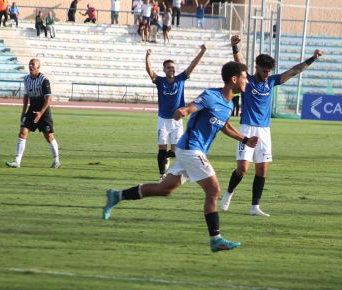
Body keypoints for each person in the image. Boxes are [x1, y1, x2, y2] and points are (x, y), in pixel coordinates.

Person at [103, 61, 258, 253]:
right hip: (191, 149)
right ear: (234, 79)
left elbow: (224, 125)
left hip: (190, 151)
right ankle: (215, 238)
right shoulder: (212, 95)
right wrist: (183, 111)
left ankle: (117, 195)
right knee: (214, 189)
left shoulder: (229, 103)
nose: (247, 82)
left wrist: (245, 139)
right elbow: (192, 107)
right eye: (245, 78)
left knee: (164, 189)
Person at [221, 35, 322, 216]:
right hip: (247, 127)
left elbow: (294, 71)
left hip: (264, 130)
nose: (267, 73)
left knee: (262, 169)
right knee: (243, 169)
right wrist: (235, 47)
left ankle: (254, 207)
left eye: (269, 71)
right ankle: (229, 193)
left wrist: (312, 59)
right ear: (257, 67)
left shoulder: (272, 81)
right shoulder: (249, 80)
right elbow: (239, 63)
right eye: (264, 70)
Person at [146, 44, 207, 181]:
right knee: (162, 149)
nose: (171, 69)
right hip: (163, 120)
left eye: (173, 67)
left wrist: (202, 51)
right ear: (164, 69)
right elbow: (149, 70)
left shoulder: (181, 79)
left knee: (176, 151)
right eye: (168, 67)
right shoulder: (160, 81)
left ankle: (169, 157)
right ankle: (162, 175)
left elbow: (193, 65)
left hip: (177, 121)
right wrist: (148, 56)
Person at [6, 59, 61, 169]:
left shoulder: (44, 80)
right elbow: (26, 96)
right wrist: (24, 112)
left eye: (33, 64)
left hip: (44, 111)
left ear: (38, 67)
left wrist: (40, 113)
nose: (31, 66)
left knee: (49, 136)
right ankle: (17, 162)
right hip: (32, 110)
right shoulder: (26, 79)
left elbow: (49, 98)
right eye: (29, 64)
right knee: (22, 133)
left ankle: (56, 160)